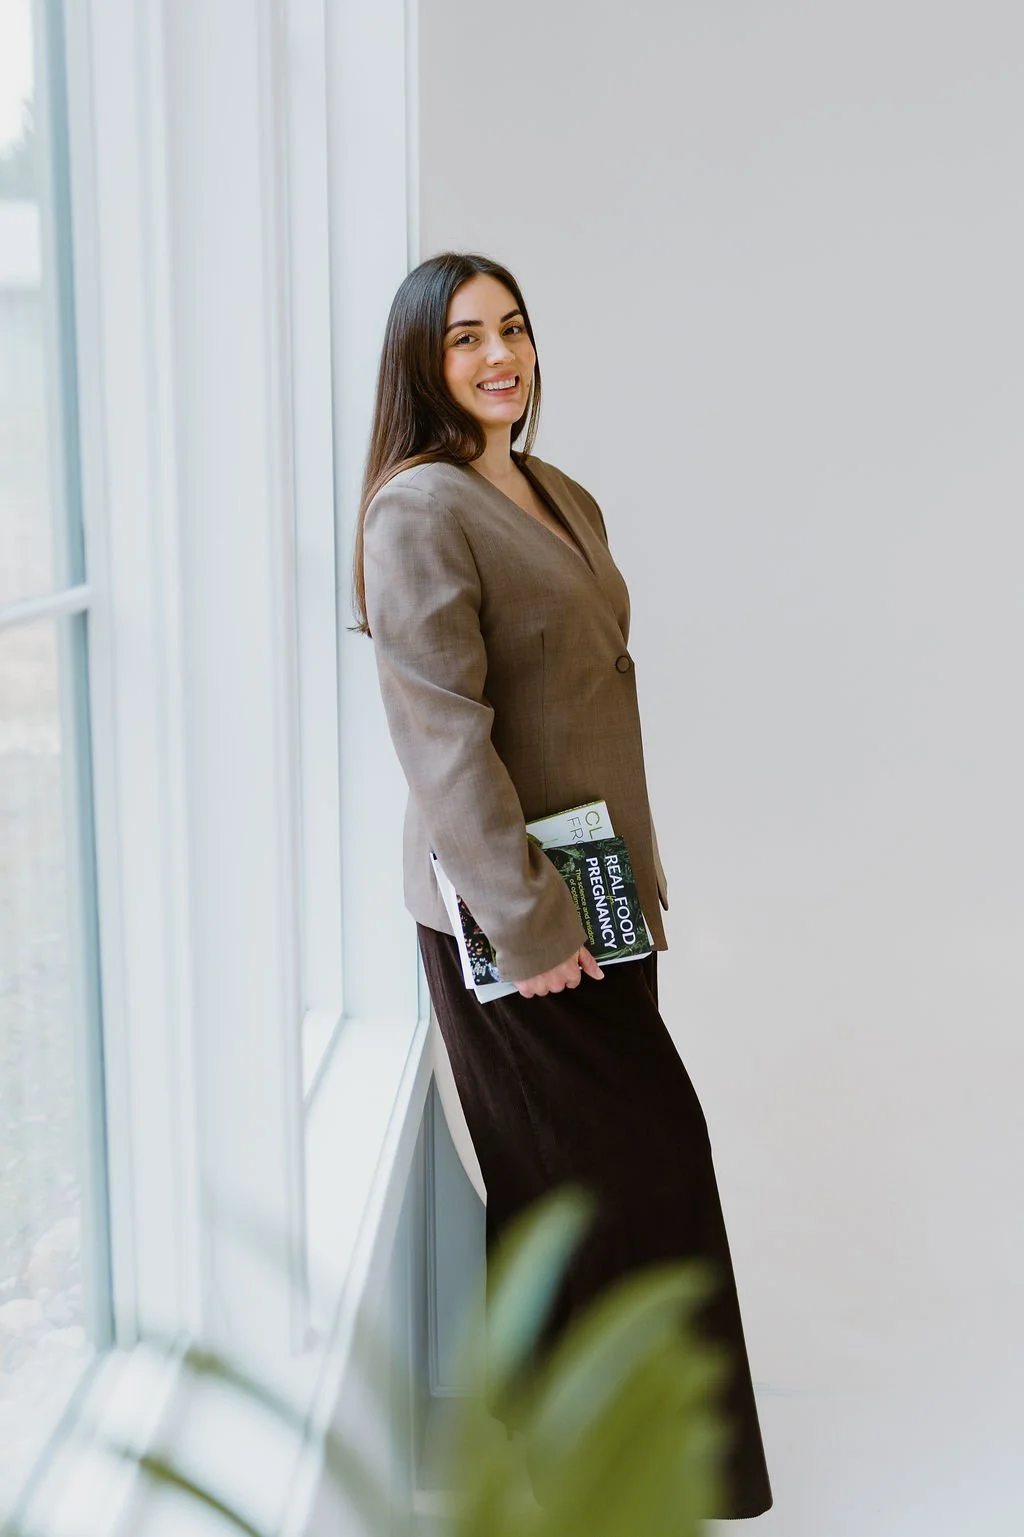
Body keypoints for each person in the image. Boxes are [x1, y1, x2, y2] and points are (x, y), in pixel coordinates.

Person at [352, 251, 773, 1519]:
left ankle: (576, 1467)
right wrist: (528, 918)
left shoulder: (557, 492)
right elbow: (442, 737)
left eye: (515, 330)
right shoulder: (416, 509)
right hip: (510, 912)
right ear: (423, 363)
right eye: (467, 336)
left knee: (589, 1180)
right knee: (612, 1170)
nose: (499, 356)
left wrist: (613, 897)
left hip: (596, 893)